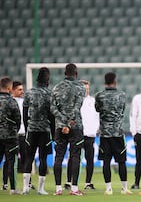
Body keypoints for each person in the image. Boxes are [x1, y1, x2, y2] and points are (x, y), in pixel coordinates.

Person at [50, 63, 86, 196]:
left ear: (65, 73)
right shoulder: (80, 87)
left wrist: (63, 123)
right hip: (75, 126)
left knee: (59, 156)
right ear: (76, 73)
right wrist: (69, 124)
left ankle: (58, 188)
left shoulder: (56, 87)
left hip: (60, 127)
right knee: (75, 156)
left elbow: (53, 108)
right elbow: (77, 107)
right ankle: (74, 189)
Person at [95, 72, 132, 195]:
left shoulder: (99, 96)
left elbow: (97, 109)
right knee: (121, 161)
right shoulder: (122, 95)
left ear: (105, 82)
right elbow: (121, 110)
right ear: (115, 81)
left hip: (105, 133)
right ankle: (124, 188)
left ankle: (108, 189)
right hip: (117, 133)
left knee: (106, 161)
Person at [22, 67, 54, 195]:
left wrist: (27, 127)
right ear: (47, 79)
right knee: (43, 158)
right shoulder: (49, 94)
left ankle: (25, 188)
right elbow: (52, 115)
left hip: (31, 129)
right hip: (44, 131)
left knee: (29, 157)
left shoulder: (29, 93)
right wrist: (53, 131)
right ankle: (41, 189)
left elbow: (24, 113)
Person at [0, 77, 22, 195]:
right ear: (9, 88)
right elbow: (18, 119)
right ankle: (13, 189)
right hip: (10, 136)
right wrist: (15, 130)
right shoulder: (11, 101)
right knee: (11, 161)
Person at [80, 80, 99, 190]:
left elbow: (97, 116)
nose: (86, 91)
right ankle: (70, 182)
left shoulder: (93, 101)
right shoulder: (75, 101)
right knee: (74, 159)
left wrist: (95, 129)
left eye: (87, 88)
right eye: (84, 88)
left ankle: (88, 182)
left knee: (90, 159)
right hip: (77, 134)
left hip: (90, 134)